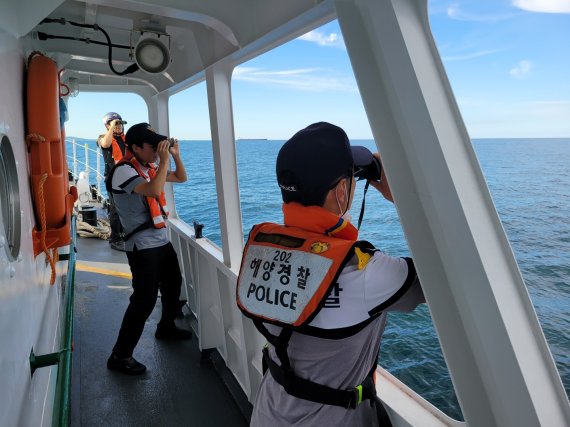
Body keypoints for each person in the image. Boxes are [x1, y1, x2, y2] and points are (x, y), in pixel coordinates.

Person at [236, 122, 426, 426]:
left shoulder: (266, 249)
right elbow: (441, 280)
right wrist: (399, 194)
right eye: (351, 178)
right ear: (341, 191)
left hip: (269, 411)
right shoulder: (365, 273)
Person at [105, 122, 191, 376]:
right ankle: (120, 355)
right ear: (134, 147)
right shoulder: (123, 171)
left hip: (160, 240)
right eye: (152, 147)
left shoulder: (149, 166)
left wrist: (174, 156)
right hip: (142, 246)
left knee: (173, 284)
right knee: (143, 300)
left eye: (158, 146)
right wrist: (163, 160)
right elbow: (154, 189)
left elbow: (181, 178)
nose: (156, 151)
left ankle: (166, 327)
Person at [98, 112, 127, 251]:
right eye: (115, 123)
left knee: (127, 206)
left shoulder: (125, 139)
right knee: (116, 208)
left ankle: (124, 234)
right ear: (107, 126)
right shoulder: (103, 137)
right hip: (113, 178)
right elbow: (105, 144)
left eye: (120, 123)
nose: (119, 126)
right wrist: (111, 128)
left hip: (127, 177)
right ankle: (115, 239)